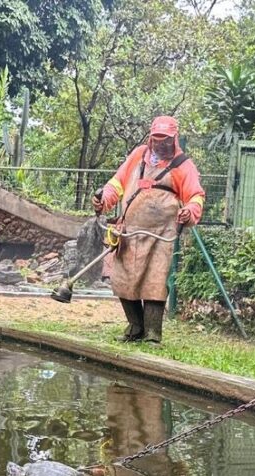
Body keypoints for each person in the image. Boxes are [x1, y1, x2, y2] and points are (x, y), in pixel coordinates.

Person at [92, 116, 206, 345]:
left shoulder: (183, 165)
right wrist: (103, 199)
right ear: (150, 138)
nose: (161, 144)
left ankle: (152, 334)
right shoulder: (138, 156)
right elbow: (117, 183)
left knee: (154, 283)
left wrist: (190, 211)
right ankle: (135, 328)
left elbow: (196, 195)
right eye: (157, 139)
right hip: (129, 232)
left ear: (174, 139)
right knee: (123, 278)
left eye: (166, 140)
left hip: (160, 235)